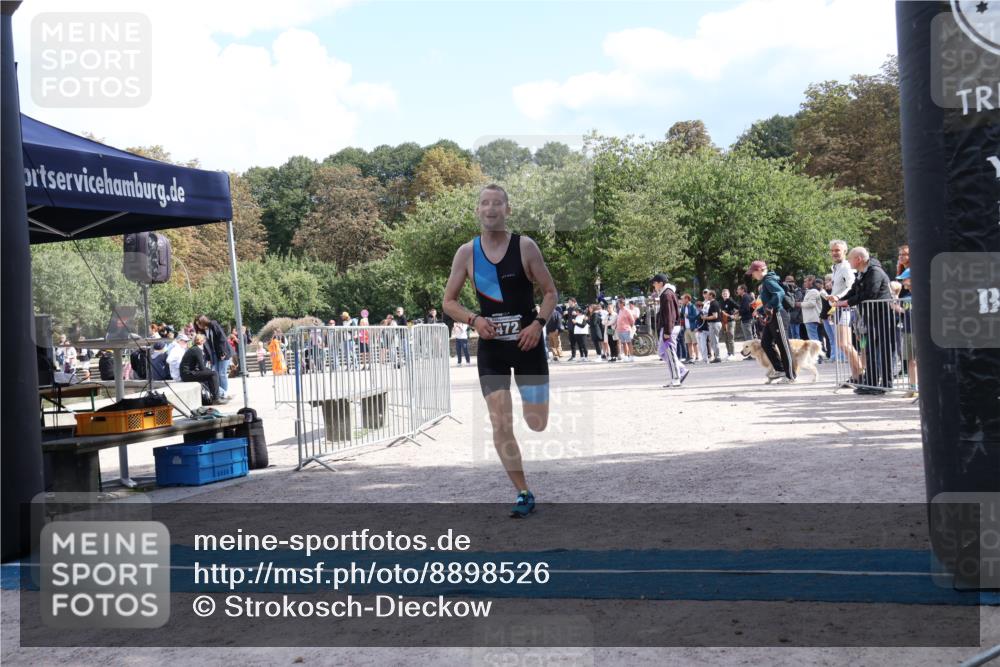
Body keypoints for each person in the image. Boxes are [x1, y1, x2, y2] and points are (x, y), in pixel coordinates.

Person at [442, 183, 558, 517]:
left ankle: (532, 410)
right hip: (492, 349)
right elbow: (448, 302)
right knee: (500, 421)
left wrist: (538, 324)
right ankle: (523, 492)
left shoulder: (525, 247)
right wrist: (474, 319)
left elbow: (550, 292)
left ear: (507, 210)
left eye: (497, 203)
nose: (490, 208)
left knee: (536, 422)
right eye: (485, 203)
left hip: (527, 345)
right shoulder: (467, 253)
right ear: (477, 210)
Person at [836, 247, 894, 395]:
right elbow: (854, 291)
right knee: (869, 351)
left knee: (883, 351)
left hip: (883, 316)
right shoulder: (862, 273)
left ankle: (886, 384)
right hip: (870, 317)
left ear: (859, 259)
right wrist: (839, 300)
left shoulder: (875, 272)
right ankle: (871, 383)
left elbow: (870, 293)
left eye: (850, 259)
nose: (849, 262)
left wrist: (847, 302)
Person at [747, 260, 795, 382]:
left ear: (759, 270)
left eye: (753, 272)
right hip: (772, 316)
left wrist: (769, 306)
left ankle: (791, 376)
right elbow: (770, 300)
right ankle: (780, 369)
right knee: (765, 343)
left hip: (778, 314)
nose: (752, 275)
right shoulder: (766, 281)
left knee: (783, 345)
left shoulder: (768, 280)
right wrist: (760, 310)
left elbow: (779, 293)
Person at [826, 239, 863, 383]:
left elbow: (851, 286)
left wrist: (838, 296)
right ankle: (856, 376)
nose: (834, 253)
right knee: (844, 344)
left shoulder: (846, 267)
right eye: (832, 251)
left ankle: (861, 374)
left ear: (845, 251)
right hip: (839, 308)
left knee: (844, 344)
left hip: (847, 308)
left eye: (837, 250)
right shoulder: (836, 267)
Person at [652, 274, 688, 387]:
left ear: (661, 283)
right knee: (662, 352)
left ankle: (676, 378)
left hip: (670, 327)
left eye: (655, 283)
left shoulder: (666, 294)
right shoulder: (666, 293)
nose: (653, 285)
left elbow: (669, 314)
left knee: (669, 352)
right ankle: (681, 369)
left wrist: (667, 331)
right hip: (670, 327)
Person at [194, 314, 232, 401]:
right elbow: (206, 346)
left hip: (223, 351)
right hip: (214, 354)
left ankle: (224, 393)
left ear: (203, 322)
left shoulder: (213, 324)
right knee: (215, 374)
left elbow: (222, 338)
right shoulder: (202, 331)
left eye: (199, 324)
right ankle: (221, 393)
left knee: (222, 373)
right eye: (197, 324)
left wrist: (223, 352)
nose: (198, 326)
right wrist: (208, 358)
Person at [180, 334, 226, 404]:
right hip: (188, 374)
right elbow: (202, 367)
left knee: (211, 374)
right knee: (214, 374)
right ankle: (216, 399)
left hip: (186, 374)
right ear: (202, 341)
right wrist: (210, 371)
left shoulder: (194, 348)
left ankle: (215, 396)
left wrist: (208, 371)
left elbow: (200, 367)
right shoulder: (197, 350)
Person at [801, 275, 823, 348]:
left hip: (811, 319)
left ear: (811, 281)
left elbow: (811, 304)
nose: (804, 283)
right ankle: (819, 354)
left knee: (813, 339)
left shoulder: (813, 291)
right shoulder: (811, 291)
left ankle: (817, 354)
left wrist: (799, 304)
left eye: (805, 281)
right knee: (816, 339)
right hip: (811, 318)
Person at [719, 288, 739, 358]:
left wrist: (734, 315)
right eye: (723, 294)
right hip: (724, 322)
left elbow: (739, 307)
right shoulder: (721, 302)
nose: (725, 295)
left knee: (730, 338)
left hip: (730, 322)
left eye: (726, 294)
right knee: (726, 339)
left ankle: (733, 354)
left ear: (729, 294)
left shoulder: (730, 301)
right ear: (722, 295)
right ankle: (729, 353)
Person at [614, 297, 635, 361]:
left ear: (622, 304)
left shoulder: (627, 310)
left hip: (626, 329)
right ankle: (626, 356)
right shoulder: (620, 310)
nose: (618, 305)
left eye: (619, 303)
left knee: (629, 342)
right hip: (620, 330)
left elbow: (632, 320)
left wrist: (630, 326)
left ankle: (631, 356)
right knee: (623, 343)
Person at [681, 294, 700, 361]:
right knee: (688, 343)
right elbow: (681, 316)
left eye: (683, 299)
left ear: (687, 299)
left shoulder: (692, 306)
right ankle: (691, 357)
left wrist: (688, 316)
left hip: (692, 328)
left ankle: (697, 357)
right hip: (686, 328)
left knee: (694, 343)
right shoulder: (683, 307)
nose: (682, 300)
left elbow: (695, 317)